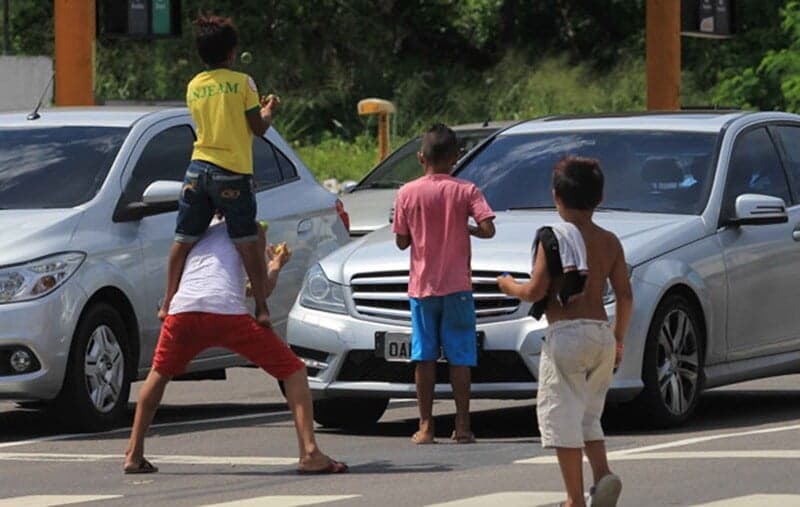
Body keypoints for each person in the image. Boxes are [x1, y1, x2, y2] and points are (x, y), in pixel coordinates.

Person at [124, 219, 347, 475]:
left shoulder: (195, 229)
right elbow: (261, 289)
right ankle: (309, 453)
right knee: (294, 371)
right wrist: (275, 265)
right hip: (227, 314)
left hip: (183, 311)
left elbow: (220, 281)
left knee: (159, 374)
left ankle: (134, 452)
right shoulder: (251, 228)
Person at [497, 156, 633, 507]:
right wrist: (618, 338)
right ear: (600, 198)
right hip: (601, 333)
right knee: (589, 414)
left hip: (566, 333)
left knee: (561, 419)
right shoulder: (610, 240)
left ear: (555, 195)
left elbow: (536, 291)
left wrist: (509, 285)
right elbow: (625, 294)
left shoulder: (552, 238)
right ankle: (602, 475)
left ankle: (573, 499)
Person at [159, 14, 280, 328]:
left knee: (183, 239)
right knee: (246, 239)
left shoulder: (194, 85)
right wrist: (268, 110)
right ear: (232, 51)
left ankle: (168, 302)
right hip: (232, 173)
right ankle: (262, 308)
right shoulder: (243, 82)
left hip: (197, 171)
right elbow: (258, 128)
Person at [392, 124, 496, 445]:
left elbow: (401, 241)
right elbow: (488, 228)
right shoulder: (467, 190)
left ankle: (425, 426)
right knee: (460, 356)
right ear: (456, 158)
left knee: (424, 357)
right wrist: (468, 229)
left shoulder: (407, 192)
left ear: (421, 157)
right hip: (458, 287)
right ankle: (462, 425)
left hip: (422, 288)